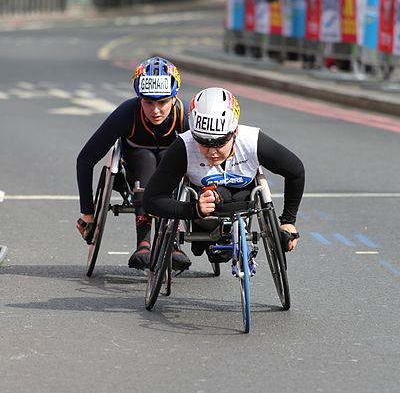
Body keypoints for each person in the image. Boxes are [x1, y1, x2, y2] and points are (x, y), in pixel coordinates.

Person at [143, 87, 304, 264]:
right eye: (203, 142)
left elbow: (296, 171)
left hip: (243, 197)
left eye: (219, 143)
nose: (212, 152)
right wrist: (193, 209)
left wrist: (288, 221)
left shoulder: (252, 141)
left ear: (234, 133)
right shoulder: (184, 146)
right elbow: (151, 200)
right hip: (203, 205)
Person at [76, 56, 191, 272]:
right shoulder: (127, 113)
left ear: (174, 98)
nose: (155, 110)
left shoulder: (185, 115)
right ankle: (144, 243)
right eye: (148, 102)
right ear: (139, 99)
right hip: (135, 170)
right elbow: (85, 159)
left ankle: (173, 241)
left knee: (171, 156)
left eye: (162, 102)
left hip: (172, 171)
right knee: (146, 157)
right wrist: (88, 213)